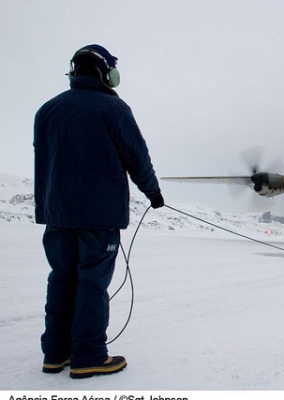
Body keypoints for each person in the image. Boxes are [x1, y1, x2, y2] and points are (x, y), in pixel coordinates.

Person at [34, 44, 164, 379]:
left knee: (61, 279)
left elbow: (42, 163)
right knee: (92, 283)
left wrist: (45, 210)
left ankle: (55, 353)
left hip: (57, 216)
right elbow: (137, 157)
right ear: (106, 74)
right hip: (98, 217)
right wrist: (153, 193)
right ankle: (89, 355)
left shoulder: (46, 111)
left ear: (74, 73)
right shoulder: (114, 109)